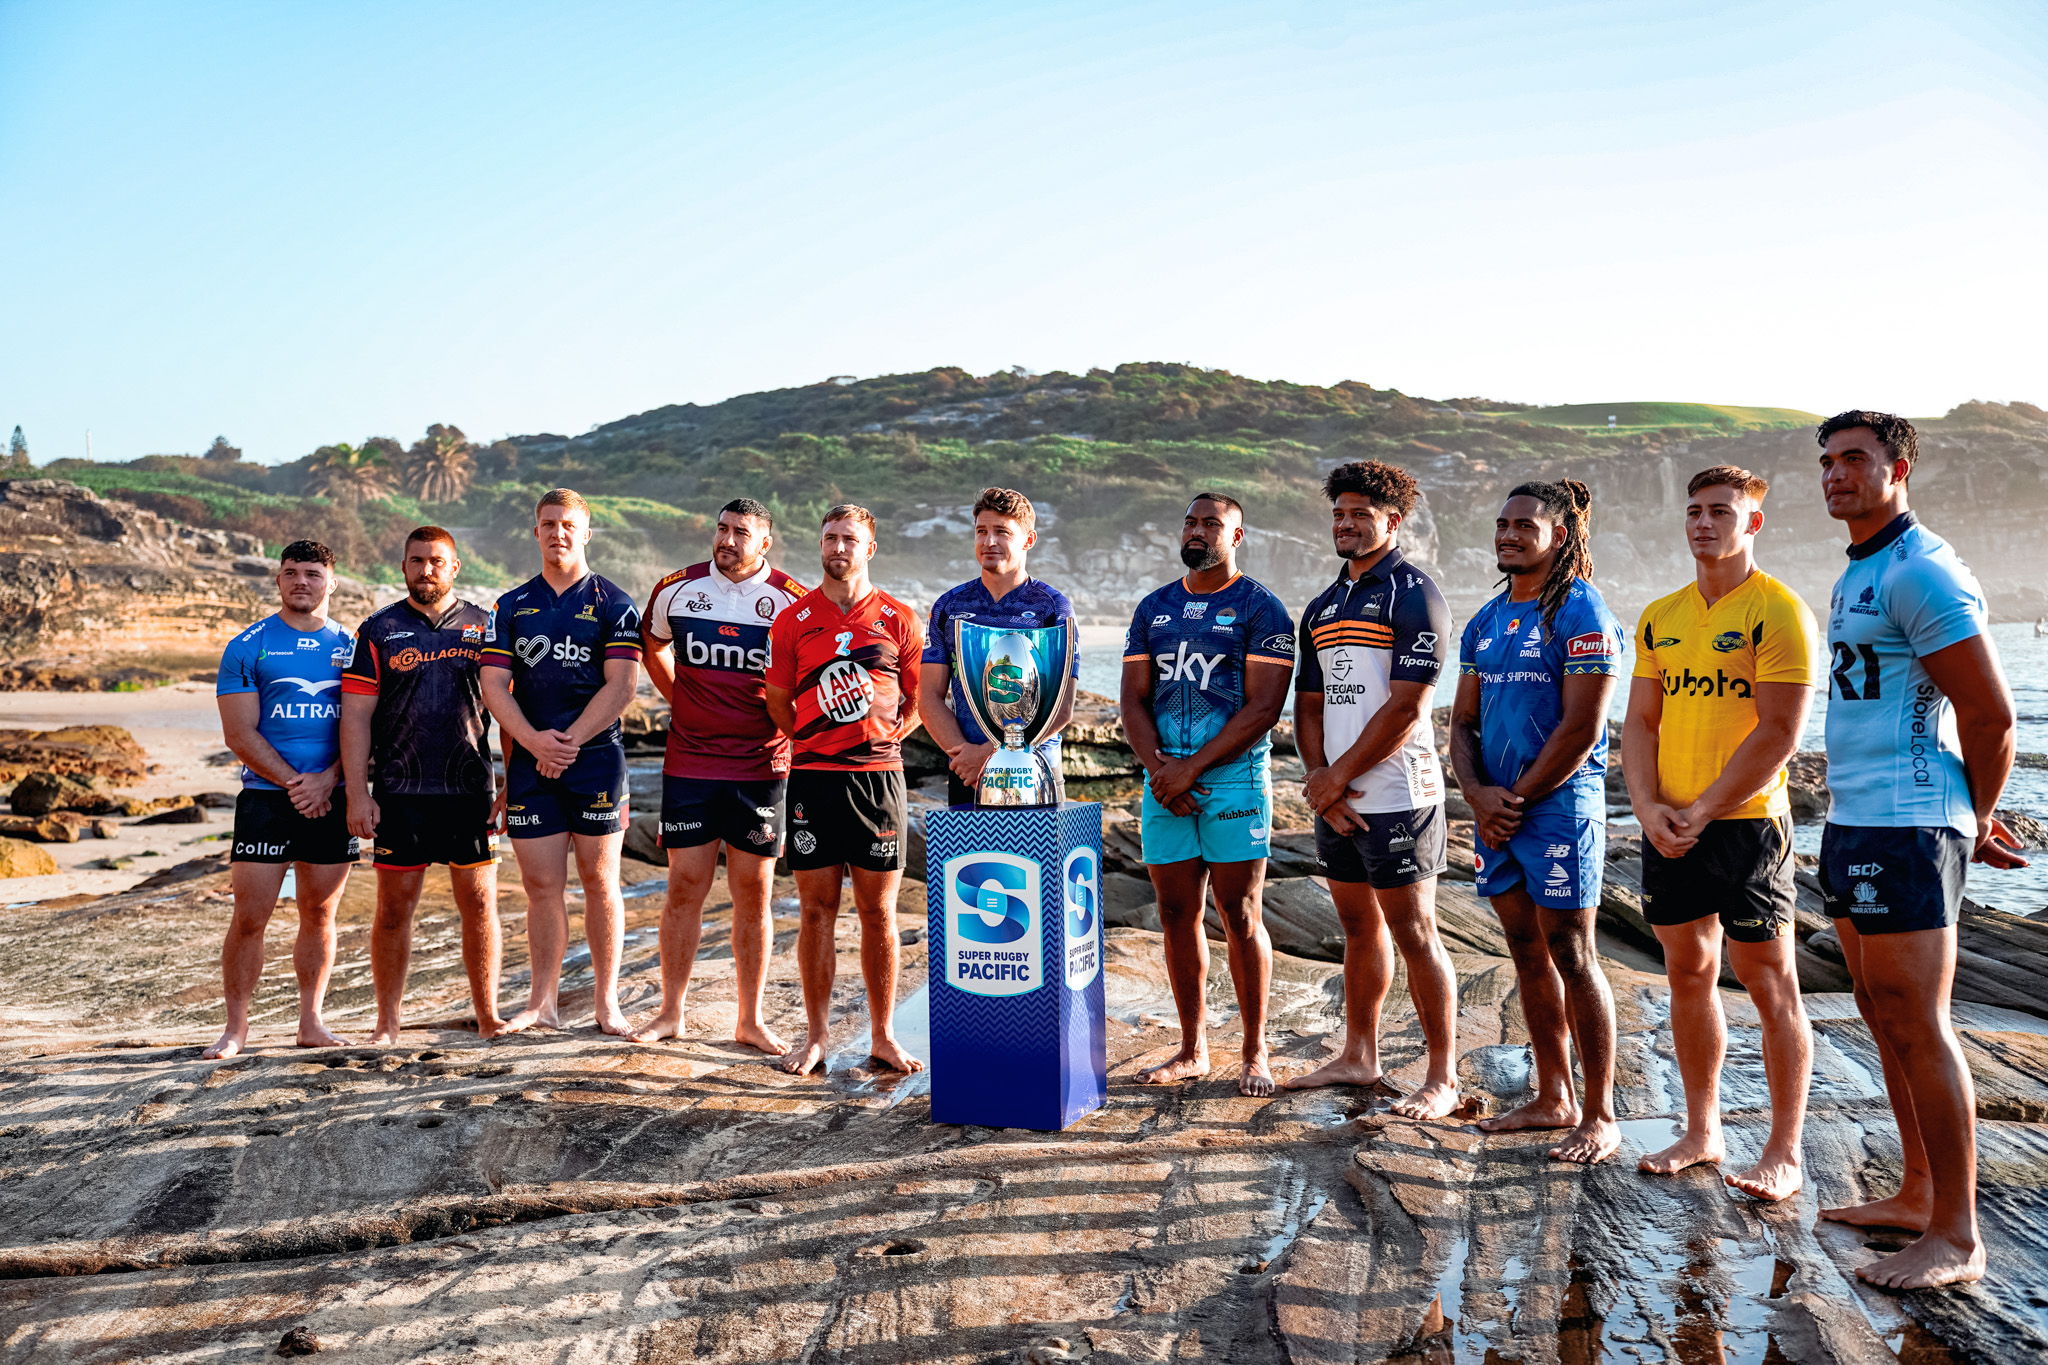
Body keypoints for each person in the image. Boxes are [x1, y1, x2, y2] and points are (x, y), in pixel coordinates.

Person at [1812, 411, 2025, 1291]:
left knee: (1919, 1021)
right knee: (1875, 1005)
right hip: (1856, 816)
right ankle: (1917, 1189)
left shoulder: (1922, 569)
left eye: (1855, 459)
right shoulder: (1859, 567)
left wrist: (1975, 816)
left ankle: (1958, 1236)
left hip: (1908, 821)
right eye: (1827, 461)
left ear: (1900, 467)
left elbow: (1991, 714)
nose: (1836, 474)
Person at [1623, 466, 1816, 1200]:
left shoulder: (1780, 610)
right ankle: (1702, 1130)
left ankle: (1784, 1151)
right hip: (1668, 824)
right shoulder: (1660, 614)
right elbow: (1641, 721)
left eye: (1722, 512)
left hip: (1746, 829)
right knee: (1687, 973)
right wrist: (1647, 806)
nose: (1705, 523)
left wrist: (1702, 809)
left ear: (1753, 523)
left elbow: (1780, 733)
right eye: (1695, 511)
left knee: (1771, 984)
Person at [1450, 480, 1626, 1164]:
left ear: (1561, 535)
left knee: (1574, 954)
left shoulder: (1582, 611)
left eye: (1525, 524)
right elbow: (1461, 720)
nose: (1508, 534)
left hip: (1557, 808)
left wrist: (1511, 800)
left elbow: (1581, 727)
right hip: (1497, 809)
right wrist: (1475, 794)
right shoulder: (1486, 619)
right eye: (1502, 524)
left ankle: (1601, 1112)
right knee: (1525, 950)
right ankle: (1554, 1095)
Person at [1282, 462, 1461, 1119]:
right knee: (1359, 929)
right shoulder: (1324, 606)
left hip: (1399, 795)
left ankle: (1441, 1076)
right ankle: (1360, 1054)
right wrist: (1319, 779)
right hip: (1338, 796)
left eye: (1360, 514)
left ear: (1393, 521)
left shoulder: (1416, 595)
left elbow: (1409, 707)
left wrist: (1341, 776)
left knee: (1415, 931)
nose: (1346, 524)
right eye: (1339, 514)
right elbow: (1309, 700)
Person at [1121, 492, 1295, 1097]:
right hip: (1164, 779)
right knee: (1175, 914)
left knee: (1240, 913)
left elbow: (1264, 707)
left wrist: (1190, 770)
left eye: (1212, 524)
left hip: (1233, 779)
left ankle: (1255, 1050)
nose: (1197, 532)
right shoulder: (1155, 608)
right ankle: (1193, 1048)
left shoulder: (1262, 609)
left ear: (1237, 536)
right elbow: (1132, 702)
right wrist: (1160, 770)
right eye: (1191, 522)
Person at [632, 498, 807, 1050]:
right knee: (685, 886)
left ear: (765, 543)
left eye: (741, 533)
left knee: (753, 892)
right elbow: (651, 645)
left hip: (762, 764)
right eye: (722, 529)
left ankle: (750, 1020)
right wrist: (679, 696)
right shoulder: (676, 589)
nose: (728, 540)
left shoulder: (790, 600)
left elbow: (812, 668)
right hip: (690, 761)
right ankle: (669, 1013)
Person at [764, 504, 925, 1076]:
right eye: (830, 537)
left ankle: (882, 1035)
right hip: (813, 780)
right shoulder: (794, 619)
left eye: (850, 539)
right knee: (815, 913)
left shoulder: (899, 619)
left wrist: (879, 743)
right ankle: (815, 1037)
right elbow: (779, 703)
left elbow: (918, 703)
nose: (839, 547)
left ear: (869, 548)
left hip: (879, 782)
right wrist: (817, 742)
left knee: (879, 914)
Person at [479, 488, 643, 1034]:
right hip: (531, 763)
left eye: (569, 524)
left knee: (601, 883)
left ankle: (606, 1003)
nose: (559, 533)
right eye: (548, 524)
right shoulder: (511, 605)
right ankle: (541, 1003)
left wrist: (564, 742)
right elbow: (493, 686)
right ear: (536, 532)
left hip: (596, 761)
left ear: (587, 532)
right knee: (541, 888)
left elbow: (621, 688)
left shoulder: (616, 604)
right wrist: (533, 743)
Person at [341, 526, 513, 1043]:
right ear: (403, 567)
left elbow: (512, 709)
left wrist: (511, 783)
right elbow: (355, 718)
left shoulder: (487, 627)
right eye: (417, 561)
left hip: (471, 793)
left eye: (437, 561)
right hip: (400, 793)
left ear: (455, 566)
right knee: (393, 910)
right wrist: (357, 792)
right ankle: (387, 1024)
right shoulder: (377, 630)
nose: (427, 570)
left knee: (481, 906)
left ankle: (488, 1016)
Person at [204, 541, 358, 1059]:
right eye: (291, 573)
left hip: (332, 798)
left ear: (331, 583)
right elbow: (239, 734)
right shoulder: (248, 645)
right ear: (278, 581)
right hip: (267, 800)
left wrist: (328, 780)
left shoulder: (353, 646)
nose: (301, 582)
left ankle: (311, 1021)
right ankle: (236, 1029)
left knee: (319, 914)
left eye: (313, 574)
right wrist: (299, 783)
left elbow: (368, 729)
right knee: (251, 917)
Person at [919, 487, 1078, 806]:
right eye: (981, 531)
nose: (989, 541)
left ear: (1028, 540)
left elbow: (1062, 707)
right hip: (968, 771)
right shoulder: (949, 606)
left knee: (1033, 860)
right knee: (971, 860)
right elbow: (928, 697)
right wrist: (964, 755)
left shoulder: (1052, 607)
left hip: (1033, 773)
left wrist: (990, 757)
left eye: (1002, 532)